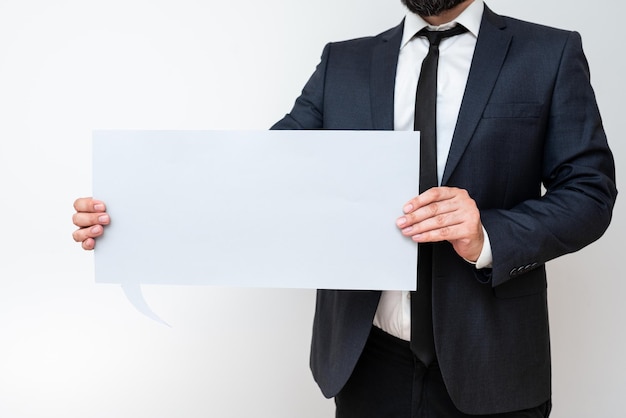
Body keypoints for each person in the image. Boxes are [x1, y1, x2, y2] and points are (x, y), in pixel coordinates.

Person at [73, 0, 617, 416]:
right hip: (365, 361)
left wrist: (489, 235)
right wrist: (135, 215)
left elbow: (590, 192)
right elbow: (261, 177)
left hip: (493, 361)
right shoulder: (344, 62)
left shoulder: (550, 53)